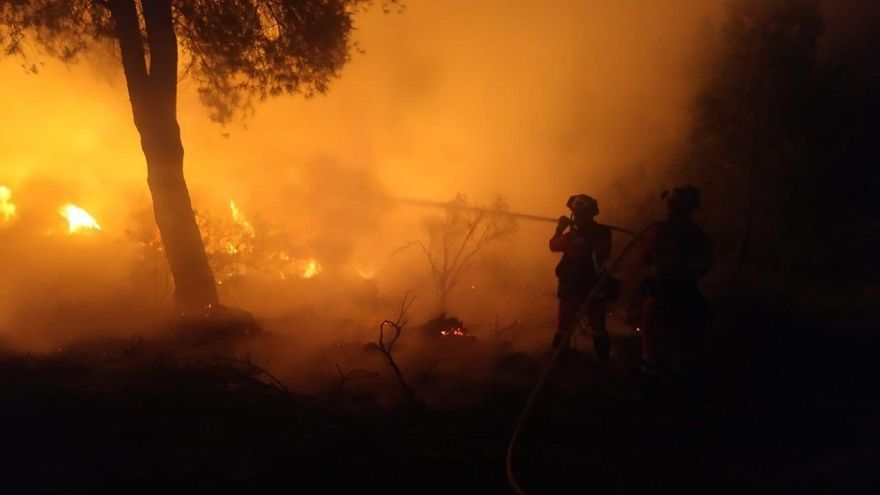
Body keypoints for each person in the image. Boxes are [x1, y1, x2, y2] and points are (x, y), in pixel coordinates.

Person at [638, 185, 712, 404]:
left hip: (661, 292)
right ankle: (687, 397)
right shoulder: (700, 235)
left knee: (651, 342)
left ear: (671, 205)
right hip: (688, 292)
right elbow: (705, 264)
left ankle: (651, 397)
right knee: (686, 343)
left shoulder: (659, 230)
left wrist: (657, 259)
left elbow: (643, 258)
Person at [549, 194, 612, 366]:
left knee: (563, 328)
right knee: (599, 327)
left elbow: (553, 245)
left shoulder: (571, 238)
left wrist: (560, 228)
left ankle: (559, 364)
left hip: (571, 288)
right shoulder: (604, 233)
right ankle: (604, 363)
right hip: (596, 287)